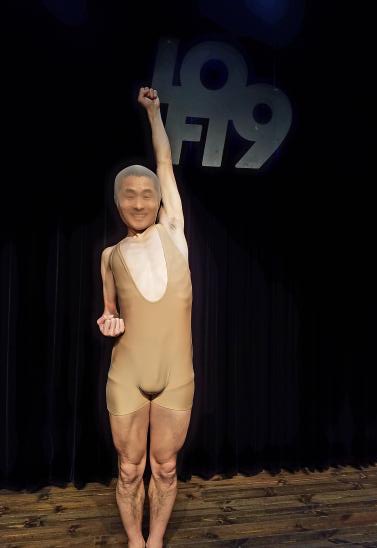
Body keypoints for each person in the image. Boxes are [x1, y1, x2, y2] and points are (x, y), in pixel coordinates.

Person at [97, 86, 195, 548]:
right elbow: (110, 314)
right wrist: (108, 322)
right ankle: (135, 542)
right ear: (117, 201)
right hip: (128, 374)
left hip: (176, 374)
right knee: (129, 469)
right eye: (129, 196)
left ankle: (155, 542)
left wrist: (154, 114)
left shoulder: (173, 232)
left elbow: (165, 163)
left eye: (147, 195)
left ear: (159, 200)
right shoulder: (109, 256)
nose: (139, 204)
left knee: (166, 467)